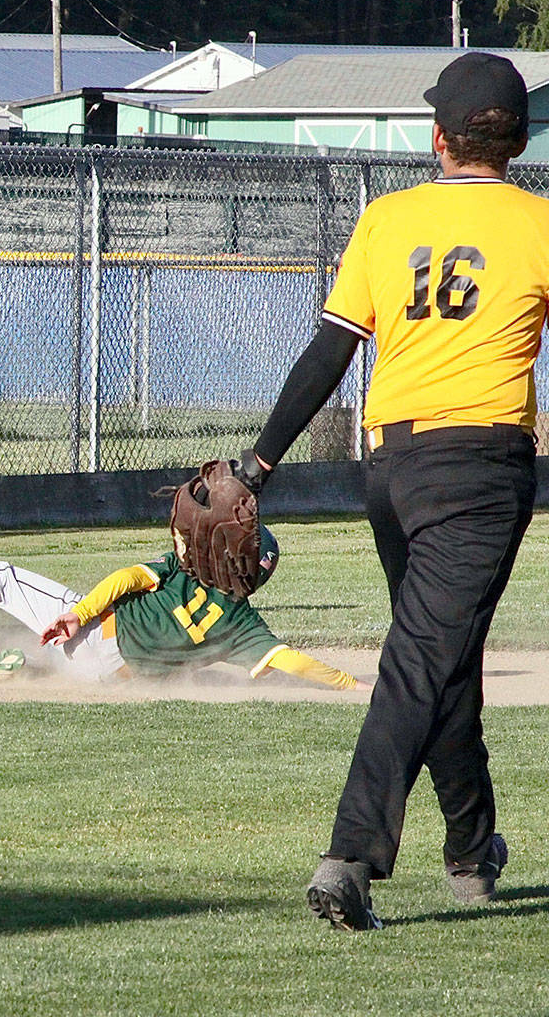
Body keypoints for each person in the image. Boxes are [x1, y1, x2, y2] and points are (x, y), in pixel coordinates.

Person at [231, 53, 543, 930]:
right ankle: (350, 856)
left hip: (392, 469)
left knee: (440, 658)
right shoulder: (539, 224)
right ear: (516, 143)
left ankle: (472, 849)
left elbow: (330, 353)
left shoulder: (388, 216)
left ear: (438, 137)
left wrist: (261, 462)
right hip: (482, 470)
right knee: (424, 660)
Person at [0, 528, 369, 691]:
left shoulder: (187, 569)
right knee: (197, 675)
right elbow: (289, 660)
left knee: (0, 579)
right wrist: (352, 686)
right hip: (110, 677)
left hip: (96, 633)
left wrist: (79, 614)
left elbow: (124, 579)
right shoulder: (242, 624)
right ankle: (18, 670)